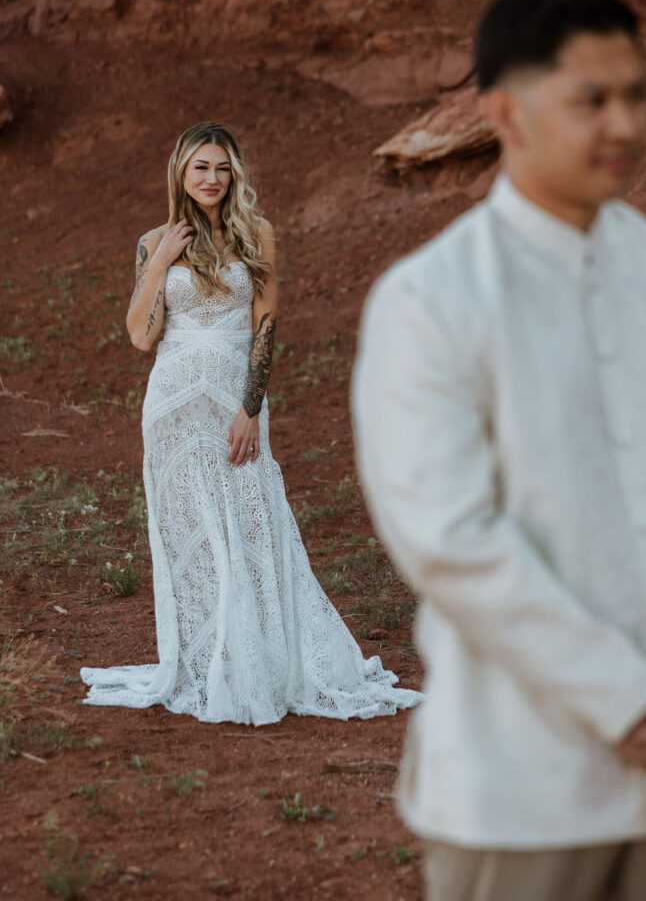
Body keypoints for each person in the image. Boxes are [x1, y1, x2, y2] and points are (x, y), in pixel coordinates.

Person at [352, 0, 646, 901]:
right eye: (590, 100)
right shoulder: (431, 301)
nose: (623, 124)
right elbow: (446, 535)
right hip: (523, 780)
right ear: (504, 113)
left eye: (636, 95)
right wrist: (628, 696)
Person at [81, 121, 421, 725]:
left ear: (233, 173)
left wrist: (251, 408)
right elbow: (140, 336)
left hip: (233, 406)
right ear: (180, 174)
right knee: (197, 540)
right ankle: (209, 658)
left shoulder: (256, 234)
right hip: (174, 407)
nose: (211, 179)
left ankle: (262, 656)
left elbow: (266, 326)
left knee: (251, 522)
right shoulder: (154, 240)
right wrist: (158, 262)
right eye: (199, 168)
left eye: (221, 168)